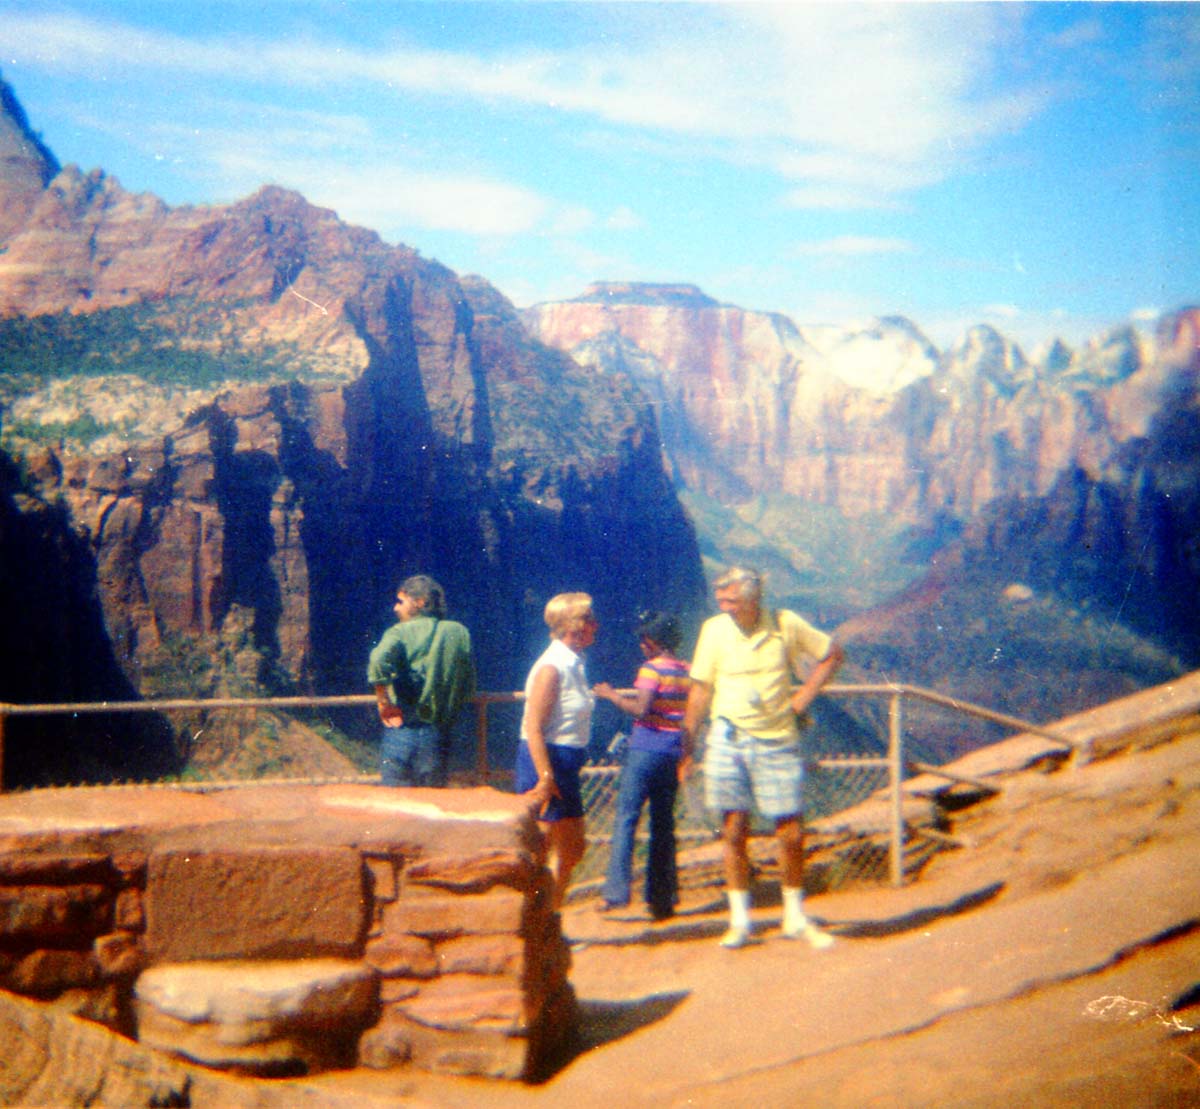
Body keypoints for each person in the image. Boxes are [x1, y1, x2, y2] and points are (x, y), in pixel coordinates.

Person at [681, 566, 844, 949]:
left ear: (753, 599)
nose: (726, 608)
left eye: (732, 601)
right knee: (733, 829)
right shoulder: (714, 631)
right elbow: (701, 689)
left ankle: (794, 917)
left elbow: (832, 653)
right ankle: (740, 920)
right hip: (727, 738)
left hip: (777, 738)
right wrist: (686, 740)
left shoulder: (786, 625)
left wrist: (803, 697)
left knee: (790, 832)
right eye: (721, 601)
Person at [595, 611, 690, 921]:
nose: (641, 644)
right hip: (672, 752)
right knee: (663, 825)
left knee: (626, 819)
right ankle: (663, 898)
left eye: (644, 639)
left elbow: (641, 708)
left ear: (653, 641)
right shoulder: (686, 670)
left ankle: (616, 894)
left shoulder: (651, 670)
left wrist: (610, 696)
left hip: (645, 750)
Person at [515, 592, 598, 910]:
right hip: (545, 764)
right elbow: (534, 727)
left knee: (574, 848)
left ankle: (550, 916)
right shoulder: (552, 667)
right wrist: (545, 777)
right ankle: (534, 924)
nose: (595, 625)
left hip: (565, 765)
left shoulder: (574, 663)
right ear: (573, 626)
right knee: (542, 848)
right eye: (589, 619)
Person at [367, 574, 476, 787]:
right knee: (431, 804)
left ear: (421, 602)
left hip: (401, 729)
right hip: (438, 734)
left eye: (401, 601)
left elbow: (378, 660)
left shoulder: (398, 632)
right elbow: (468, 684)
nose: (395, 609)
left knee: (394, 804)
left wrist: (384, 703)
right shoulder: (459, 632)